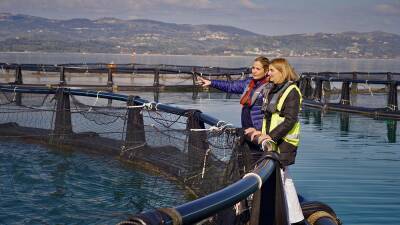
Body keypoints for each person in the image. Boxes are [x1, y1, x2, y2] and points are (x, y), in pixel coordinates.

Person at [245, 58, 305, 225]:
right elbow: (270, 118)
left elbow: (290, 120)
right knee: (284, 178)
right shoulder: (273, 89)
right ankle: (294, 217)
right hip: (274, 141)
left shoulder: (291, 91)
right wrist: (260, 133)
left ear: (282, 72)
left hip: (284, 143)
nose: (268, 74)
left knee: (280, 176)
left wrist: (271, 137)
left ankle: (287, 218)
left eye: (272, 71)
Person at [197, 56, 270, 131]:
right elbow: (230, 86)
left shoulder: (270, 87)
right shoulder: (248, 82)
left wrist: (260, 130)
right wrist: (211, 82)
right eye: (253, 68)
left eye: (258, 69)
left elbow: (270, 113)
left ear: (266, 71)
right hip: (246, 128)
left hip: (259, 131)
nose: (254, 71)